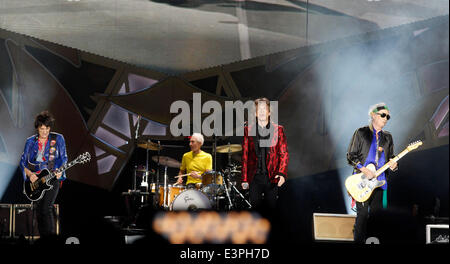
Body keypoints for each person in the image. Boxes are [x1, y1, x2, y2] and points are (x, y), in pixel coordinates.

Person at [346, 102, 398, 244]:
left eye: (388, 116)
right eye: (383, 115)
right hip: (362, 181)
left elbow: (391, 156)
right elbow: (350, 155)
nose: (385, 118)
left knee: (377, 217)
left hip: (380, 181)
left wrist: (394, 164)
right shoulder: (361, 132)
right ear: (373, 115)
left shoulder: (388, 137)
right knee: (362, 216)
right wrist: (364, 169)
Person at [19, 110, 67, 237]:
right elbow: (22, 162)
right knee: (39, 211)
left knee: (47, 208)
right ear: (37, 128)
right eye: (42, 129)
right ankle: (43, 237)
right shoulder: (30, 142)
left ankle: (49, 239)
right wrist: (30, 174)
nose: (45, 132)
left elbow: (64, 158)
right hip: (37, 181)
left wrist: (61, 170)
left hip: (53, 178)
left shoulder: (58, 139)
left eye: (47, 128)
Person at [241, 98, 289, 216]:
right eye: (259, 109)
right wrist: (244, 178)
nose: (262, 112)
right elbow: (245, 155)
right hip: (254, 178)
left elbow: (283, 153)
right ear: (256, 113)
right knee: (256, 212)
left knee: (271, 211)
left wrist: (282, 173)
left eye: (264, 109)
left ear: (269, 112)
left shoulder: (278, 129)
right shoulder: (248, 130)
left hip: (272, 177)